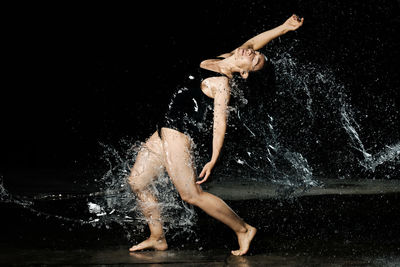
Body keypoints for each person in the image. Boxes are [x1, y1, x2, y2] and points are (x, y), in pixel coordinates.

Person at [127, 14, 304, 256]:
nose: (251, 53)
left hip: (179, 134)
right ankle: (157, 237)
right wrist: (284, 28)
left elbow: (220, 123)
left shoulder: (223, 85)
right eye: (252, 53)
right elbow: (253, 42)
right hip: (163, 130)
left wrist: (213, 158)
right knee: (137, 182)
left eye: (254, 60)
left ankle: (243, 229)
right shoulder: (223, 58)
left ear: (245, 74)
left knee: (191, 194)